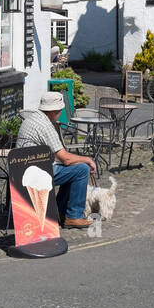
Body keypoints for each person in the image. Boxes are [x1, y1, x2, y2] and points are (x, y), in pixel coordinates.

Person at [15, 91, 96, 228]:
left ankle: (60, 211)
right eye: (60, 111)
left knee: (73, 170)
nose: (60, 114)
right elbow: (65, 159)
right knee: (81, 169)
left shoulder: (32, 118)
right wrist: (87, 159)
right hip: (37, 173)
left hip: (21, 170)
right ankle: (73, 216)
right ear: (53, 112)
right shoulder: (46, 126)